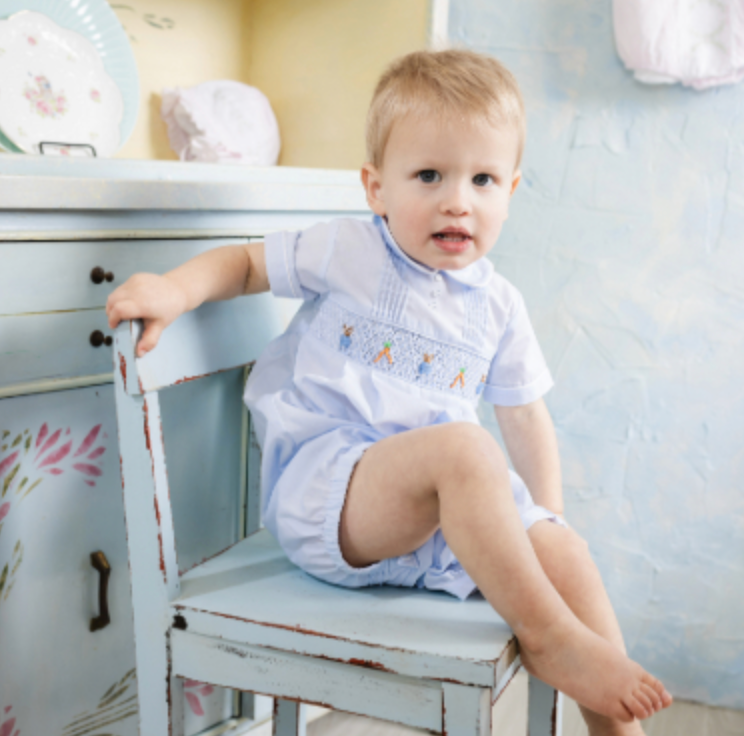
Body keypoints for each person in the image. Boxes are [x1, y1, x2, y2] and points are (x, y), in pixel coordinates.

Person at [106, 49, 673, 733]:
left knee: (567, 554)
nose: (457, 199)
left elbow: (525, 416)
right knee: (465, 450)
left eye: (483, 178)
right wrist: (176, 289)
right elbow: (248, 263)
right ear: (377, 188)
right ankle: (549, 635)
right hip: (333, 495)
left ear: (511, 191)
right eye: (429, 175)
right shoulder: (351, 251)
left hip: (433, 519)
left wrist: (543, 528)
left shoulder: (498, 305)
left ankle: (620, 730)